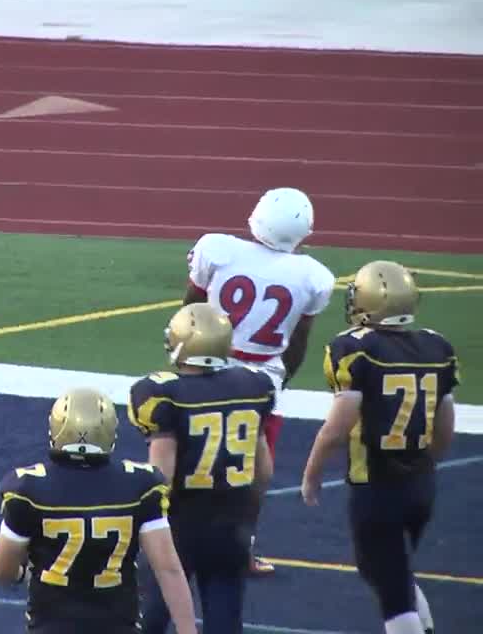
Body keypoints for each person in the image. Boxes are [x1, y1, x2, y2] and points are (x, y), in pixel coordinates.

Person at [182, 186, 336, 575]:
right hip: (262, 377)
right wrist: (282, 382)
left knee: (184, 455)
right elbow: (298, 342)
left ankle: (169, 543)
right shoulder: (313, 276)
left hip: (206, 363)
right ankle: (241, 548)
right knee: (252, 472)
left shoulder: (217, 248)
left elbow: (191, 311)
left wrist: (184, 362)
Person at [302, 261, 457, 634]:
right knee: (393, 569)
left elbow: (336, 428)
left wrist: (312, 474)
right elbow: (444, 422)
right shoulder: (436, 345)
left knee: (389, 587)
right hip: (420, 482)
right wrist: (427, 463)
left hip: (376, 483)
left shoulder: (355, 349)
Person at [0, 387, 198, 634]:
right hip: (117, 623)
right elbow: (168, 568)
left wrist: (19, 574)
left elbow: (1, 569)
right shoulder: (140, 484)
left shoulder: (28, 487)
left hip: (51, 625)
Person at [129, 303, 276, 634]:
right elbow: (262, 469)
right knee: (225, 614)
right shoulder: (253, 385)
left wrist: (141, 517)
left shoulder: (162, 392)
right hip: (231, 522)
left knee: (152, 613)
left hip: (181, 522)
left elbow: (161, 473)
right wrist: (248, 512)